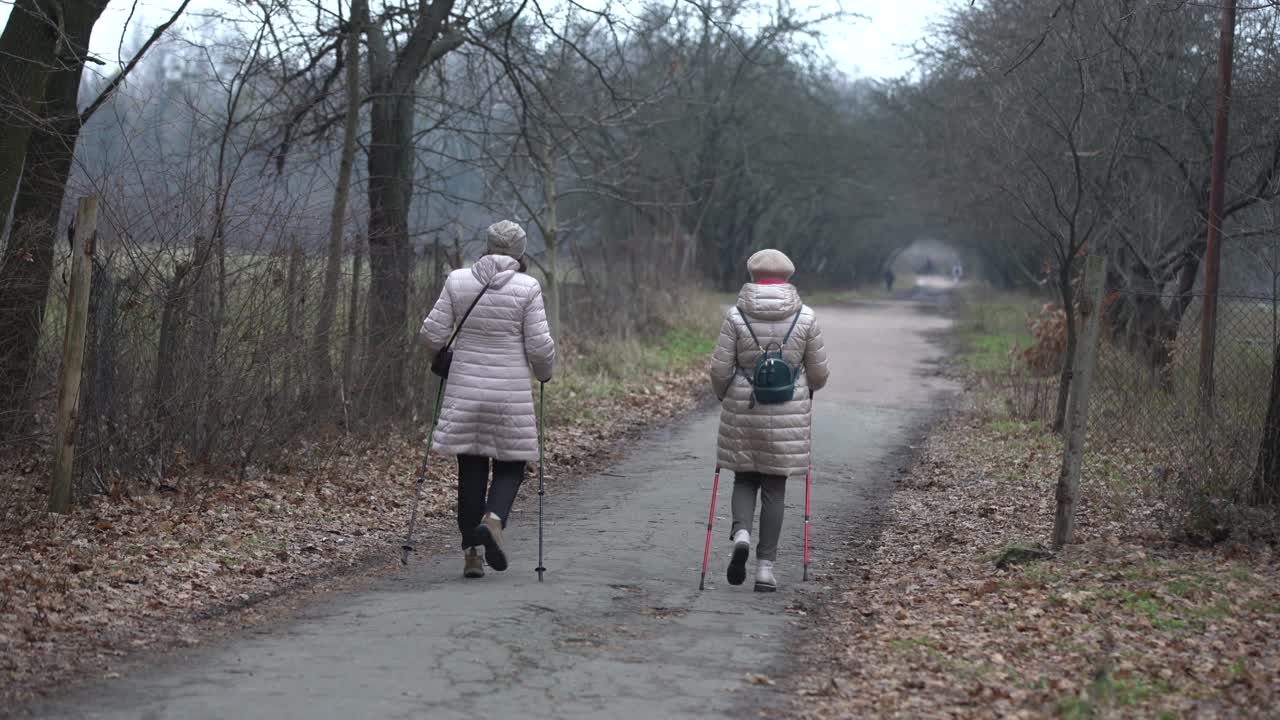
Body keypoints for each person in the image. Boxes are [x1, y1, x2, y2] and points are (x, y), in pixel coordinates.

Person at [420, 220, 556, 579]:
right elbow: (539, 347)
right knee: (512, 464)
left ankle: (471, 555)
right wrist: (545, 373)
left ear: (488, 246)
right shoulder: (527, 287)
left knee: (471, 468)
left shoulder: (458, 280)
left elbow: (431, 333)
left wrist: (440, 359)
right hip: (509, 395)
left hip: (465, 391)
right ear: (520, 252)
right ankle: (493, 521)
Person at [708, 249, 830, 592]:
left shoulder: (736, 315)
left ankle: (741, 534)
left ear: (752, 276)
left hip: (744, 406)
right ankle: (764, 569)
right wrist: (807, 386)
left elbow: (720, 369)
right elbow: (818, 374)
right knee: (775, 486)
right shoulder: (806, 316)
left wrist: (723, 394)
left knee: (745, 477)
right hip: (788, 409)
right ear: (788, 277)